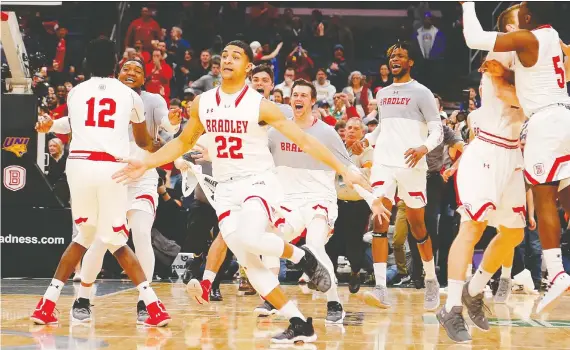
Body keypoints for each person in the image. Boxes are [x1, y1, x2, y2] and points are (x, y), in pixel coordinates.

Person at [112, 40, 374, 344]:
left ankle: (303, 257)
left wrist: (347, 170)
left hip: (258, 182)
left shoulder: (260, 105)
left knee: (250, 236)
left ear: (248, 67)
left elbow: (305, 141)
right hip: (226, 189)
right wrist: (146, 163)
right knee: (250, 262)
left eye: (236, 56)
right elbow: (182, 143)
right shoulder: (203, 102)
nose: (227, 60)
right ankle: (299, 322)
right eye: (224, 55)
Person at [31, 38, 171, 327]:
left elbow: (72, 125)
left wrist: (49, 125)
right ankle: (153, 306)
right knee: (116, 239)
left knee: (84, 236)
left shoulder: (76, 92)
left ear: (86, 64)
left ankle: (47, 304)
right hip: (111, 169)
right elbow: (144, 141)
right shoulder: (130, 96)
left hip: (78, 166)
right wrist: (160, 147)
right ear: (115, 64)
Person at [461, 1, 570, 315]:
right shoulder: (553, 39)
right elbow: (531, 81)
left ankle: (556, 272)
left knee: (544, 195)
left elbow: (473, 38)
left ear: (530, 18)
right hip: (563, 116)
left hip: (545, 124)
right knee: (565, 196)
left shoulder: (529, 38)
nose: (514, 23)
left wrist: (468, 5)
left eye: (519, 16)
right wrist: (504, 73)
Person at [436, 4, 529, 342]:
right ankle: (451, 307)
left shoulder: (529, 58)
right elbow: (512, 96)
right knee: (471, 228)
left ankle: (474, 290)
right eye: (522, 19)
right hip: (488, 149)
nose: (529, 23)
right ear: (507, 28)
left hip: (513, 155)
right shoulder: (500, 50)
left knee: (514, 234)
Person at [364, 41, 443, 311]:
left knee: (417, 226)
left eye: (400, 55)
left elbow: (438, 131)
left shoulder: (422, 93)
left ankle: (431, 280)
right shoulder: (382, 93)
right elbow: (383, 129)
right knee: (380, 221)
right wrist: (366, 140)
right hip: (384, 164)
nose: (394, 58)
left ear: (410, 62)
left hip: (412, 164)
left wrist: (424, 148)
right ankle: (380, 287)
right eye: (391, 55)